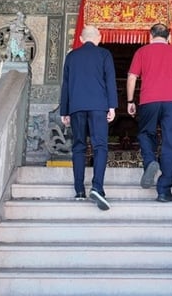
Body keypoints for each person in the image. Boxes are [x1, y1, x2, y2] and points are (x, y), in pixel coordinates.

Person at [127, 23, 172, 202]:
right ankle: (164, 189)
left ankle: (150, 162)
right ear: (168, 37)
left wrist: (130, 101)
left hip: (148, 100)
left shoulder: (142, 52)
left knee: (146, 134)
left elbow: (132, 77)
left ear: (150, 36)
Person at [60, 25, 117, 210]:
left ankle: (78, 190)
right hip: (99, 107)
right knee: (100, 146)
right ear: (99, 37)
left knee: (79, 147)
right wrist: (112, 106)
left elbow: (66, 85)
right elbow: (110, 80)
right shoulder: (104, 54)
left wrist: (64, 111)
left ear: (81, 39)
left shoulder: (71, 56)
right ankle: (97, 187)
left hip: (76, 107)